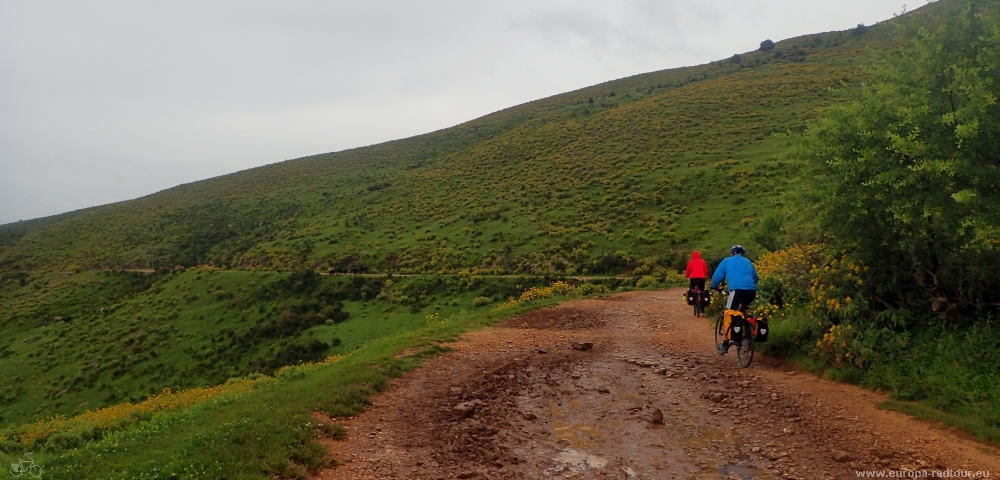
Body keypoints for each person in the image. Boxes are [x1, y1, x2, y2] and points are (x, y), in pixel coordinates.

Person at [711, 245, 759, 312]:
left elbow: (717, 276)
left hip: (736, 291)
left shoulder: (727, 261)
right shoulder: (748, 261)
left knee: (729, 312)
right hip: (751, 291)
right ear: (742, 254)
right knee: (744, 311)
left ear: (732, 253)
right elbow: (755, 278)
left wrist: (714, 286)